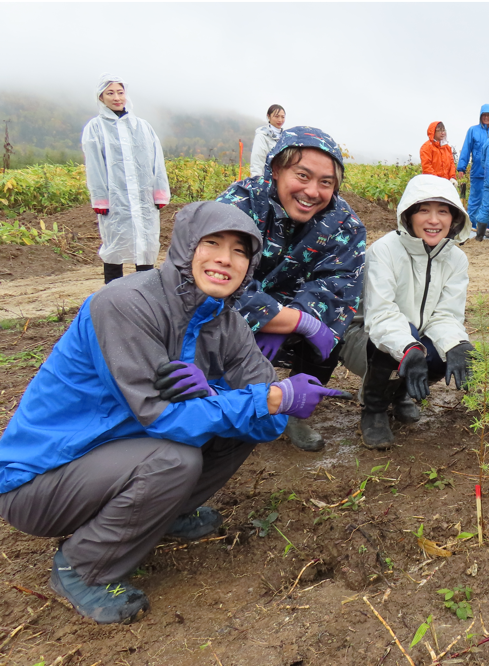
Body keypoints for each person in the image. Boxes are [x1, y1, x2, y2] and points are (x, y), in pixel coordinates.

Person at [0, 202, 344, 624]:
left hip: (120, 454)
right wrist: (264, 397)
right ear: (184, 246)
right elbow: (163, 418)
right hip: (43, 478)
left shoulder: (229, 324)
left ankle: (165, 512)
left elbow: (268, 423)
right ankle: (81, 567)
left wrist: (224, 391)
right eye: (212, 243)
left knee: (240, 427)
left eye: (240, 250)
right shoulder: (125, 305)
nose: (225, 258)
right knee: (174, 458)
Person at [215, 126, 368, 452]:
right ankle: (221, 403)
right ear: (276, 169)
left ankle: (295, 410)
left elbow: (336, 288)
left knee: (329, 331)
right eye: (302, 175)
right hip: (235, 315)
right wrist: (281, 319)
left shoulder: (344, 224)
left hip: (295, 310)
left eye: (326, 182)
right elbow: (218, 280)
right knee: (208, 329)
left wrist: (297, 320)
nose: (313, 191)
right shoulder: (241, 203)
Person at [355, 175, 475, 449]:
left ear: (454, 218)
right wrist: (410, 347)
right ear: (408, 215)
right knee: (405, 340)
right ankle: (373, 408)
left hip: (415, 336)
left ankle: (399, 396)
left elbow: (445, 315)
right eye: (424, 210)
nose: (434, 220)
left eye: (443, 211)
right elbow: (381, 315)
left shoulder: (456, 259)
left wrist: (457, 343)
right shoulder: (384, 250)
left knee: (451, 351)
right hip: (366, 339)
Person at [82, 75, 170, 284]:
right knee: (115, 245)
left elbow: (156, 160)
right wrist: (100, 198)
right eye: (110, 93)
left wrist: (159, 191)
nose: (116, 97)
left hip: (143, 199)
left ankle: (145, 292)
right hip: (116, 200)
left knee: (146, 244)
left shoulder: (142, 126)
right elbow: (94, 166)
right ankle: (112, 293)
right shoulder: (95, 128)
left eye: (120, 92)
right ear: (101, 98)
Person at [456, 105, 489, 213]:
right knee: (475, 200)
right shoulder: (473, 130)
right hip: (478, 172)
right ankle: (473, 226)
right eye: (484, 115)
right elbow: (466, 148)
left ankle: (488, 226)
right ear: (480, 116)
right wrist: (461, 167)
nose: (486, 117)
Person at [249, 104, 284, 179]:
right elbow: (257, 162)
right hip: (267, 181)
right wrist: (257, 183)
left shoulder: (286, 137)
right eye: (276, 116)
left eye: (282, 117)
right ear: (268, 116)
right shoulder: (262, 136)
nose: (280, 120)